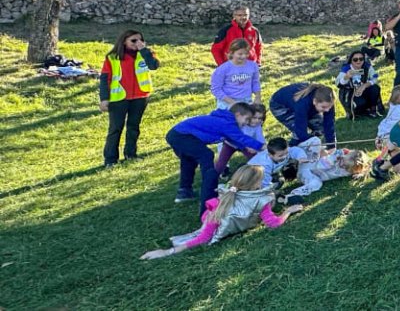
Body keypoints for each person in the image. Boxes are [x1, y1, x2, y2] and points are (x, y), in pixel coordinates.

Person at [140, 165, 302, 259]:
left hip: (210, 220)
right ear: (256, 184)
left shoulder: (223, 198)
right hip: (214, 224)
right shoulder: (261, 200)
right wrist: (288, 211)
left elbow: (204, 233)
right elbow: (273, 223)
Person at [166, 103, 264, 211]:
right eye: (247, 119)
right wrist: (261, 146)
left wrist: (246, 148)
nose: (246, 123)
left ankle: (184, 192)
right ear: (238, 114)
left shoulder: (226, 122)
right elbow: (241, 138)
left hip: (176, 134)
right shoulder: (227, 123)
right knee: (206, 155)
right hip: (181, 135)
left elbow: (234, 140)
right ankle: (209, 191)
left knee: (189, 160)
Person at [99, 28, 159, 167]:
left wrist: (144, 51)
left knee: (133, 127)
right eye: (133, 40)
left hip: (140, 96)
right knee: (115, 129)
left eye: (140, 40)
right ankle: (110, 159)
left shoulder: (146, 54)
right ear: (124, 42)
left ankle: (130, 155)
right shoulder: (112, 57)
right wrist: (104, 99)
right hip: (119, 98)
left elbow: (154, 66)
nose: (137, 43)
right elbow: (104, 79)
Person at [270, 83, 337, 147]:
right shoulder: (303, 104)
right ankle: (292, 150)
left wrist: (332, 145)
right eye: (323, 107)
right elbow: (300, 130)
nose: (327, 110)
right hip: (279, 105)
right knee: (298, 133)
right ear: (314, 101)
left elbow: (329, 123)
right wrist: (311, 143)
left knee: (320, 128)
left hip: (304, 107)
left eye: (329, 107)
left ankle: (312, 147)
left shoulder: (327, 101)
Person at [371, 84, 400, 180]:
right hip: (387, 137)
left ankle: (382, 164)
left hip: (389, 137)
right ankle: (380, 160)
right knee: (395, 148)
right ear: (397, 99)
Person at [215, 102, 267, 179]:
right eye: (254, 118)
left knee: (256, 159)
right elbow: (239, 138)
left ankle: (261, 174)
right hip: (231, 144)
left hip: (247, 145)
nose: (257, 121)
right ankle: (214, 175)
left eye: (260, 118)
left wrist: (263, 148)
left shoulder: (257, 126)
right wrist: (249, 147)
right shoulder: (242, 123)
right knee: (221, 162)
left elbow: (260, 138)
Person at [209, 39, 261, 109]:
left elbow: (255, 82)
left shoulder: (253, 66)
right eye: (240, 54)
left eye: (246, 53)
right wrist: (232, 102)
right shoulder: (223, 69)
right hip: (227, 103)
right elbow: (216, 89)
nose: (243, 56)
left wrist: (258, 97)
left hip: (246, 101)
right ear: (232, 53)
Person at [336, 51, 384, 118]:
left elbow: (375, 79)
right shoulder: (346, 69)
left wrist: (364, 86)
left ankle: (373, 110)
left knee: (375, 88)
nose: (358, 61)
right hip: (351, 93)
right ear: (351, 60)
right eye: (355, 59)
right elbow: (338, 84)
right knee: (360, 103)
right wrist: (346, 77)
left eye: (361, 59)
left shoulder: (367, 67)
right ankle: (356, 112)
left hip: (364, 89)